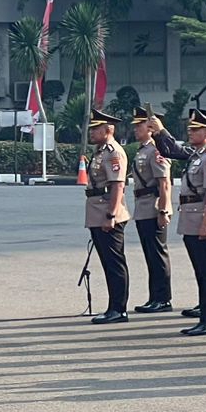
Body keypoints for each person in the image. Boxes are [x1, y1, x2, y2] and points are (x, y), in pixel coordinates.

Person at [150, 110, 206, 336]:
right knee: (201, 272)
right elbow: (170, 150)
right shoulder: (197, 155)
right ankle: (205, 318)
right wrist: (160, 131)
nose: (190, 132)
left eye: (195, 129)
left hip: (203, 218)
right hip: (193, 217)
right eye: (190, 129)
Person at [83, 112, 132, 325]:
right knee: (107, 263)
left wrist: (111, 215)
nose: (92, 132)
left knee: (114, 263)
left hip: (108, 213)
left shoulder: (114, 153)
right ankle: (114, 307)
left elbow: (117, 185)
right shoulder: (100, 151)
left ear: (108, 130)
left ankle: (118, 309)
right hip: (97, 212)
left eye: (96, 128)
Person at [128, 106, 175, 313]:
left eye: (140, 125)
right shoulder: (143, 149)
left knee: (157, 254)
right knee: (150, 255)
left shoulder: (156, 150)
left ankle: (163, 298)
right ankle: (154, 296)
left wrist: (163, 210)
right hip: (143, 206)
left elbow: (164, 183)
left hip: (153, 206)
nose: (135, 129)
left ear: (150, 128)